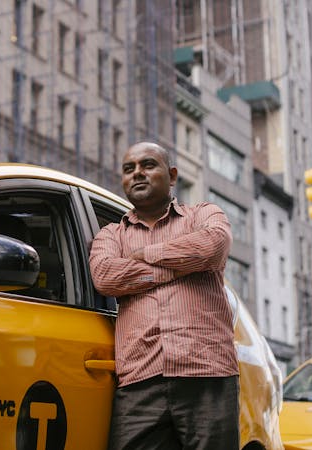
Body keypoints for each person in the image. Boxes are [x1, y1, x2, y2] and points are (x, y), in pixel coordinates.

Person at [89, 142, 239, 450]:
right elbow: (106, 276)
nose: (137, 174)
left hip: (206, 373)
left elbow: (212, 246)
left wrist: (147, 254)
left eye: (148, 165)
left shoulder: (203, 215)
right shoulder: (109, 236)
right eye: (129, 169)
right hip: (141, 382)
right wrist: (179, 267)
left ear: (171, 176)